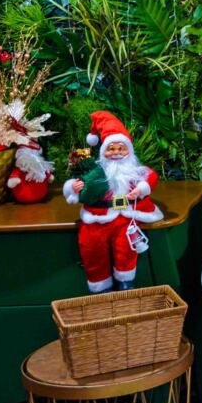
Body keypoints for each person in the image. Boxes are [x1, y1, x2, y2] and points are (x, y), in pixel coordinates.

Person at [62, 111, 162, 293]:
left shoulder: (134, 170)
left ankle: (126, 280)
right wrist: (74, 188)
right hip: (96, 217)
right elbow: (79, 184)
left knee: (126, 248)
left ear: (128, 151)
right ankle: (100, 285)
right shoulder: (95, 170)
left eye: (121, 148)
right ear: (103, 151)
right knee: (92, 247)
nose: (116, 153)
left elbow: (151, 177)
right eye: (111, 149)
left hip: (125, 216)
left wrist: (141, 188)